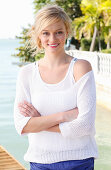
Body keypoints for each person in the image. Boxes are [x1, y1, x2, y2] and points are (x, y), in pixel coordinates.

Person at [14, 4, 98, 170]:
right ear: (38, 35)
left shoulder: (81, 68)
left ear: (66, 33)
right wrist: (64, 116)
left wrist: (39, 121)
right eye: (46, 33)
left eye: (58, 32)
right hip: (40, 163)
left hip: (80, 161)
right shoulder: (27, 73)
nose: (52, 39)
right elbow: (22, 125)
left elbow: (85, 125)